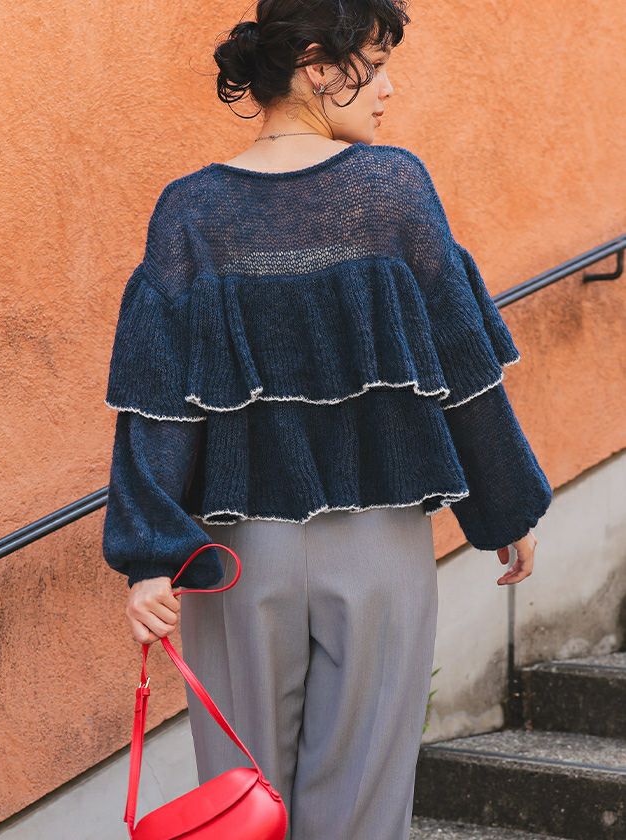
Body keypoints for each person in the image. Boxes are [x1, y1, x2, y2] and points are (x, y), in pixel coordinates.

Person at [101, 2, 553, 838]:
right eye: (373, 66)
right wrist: (504, 506)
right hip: (379, 543)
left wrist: (150, 557)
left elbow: (155, 397)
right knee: (364, 799)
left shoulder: (190, 211)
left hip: (237, 554)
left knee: (242, 797)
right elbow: (461, 362)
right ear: (317, 65)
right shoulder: (393, 187)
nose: (387, 89)